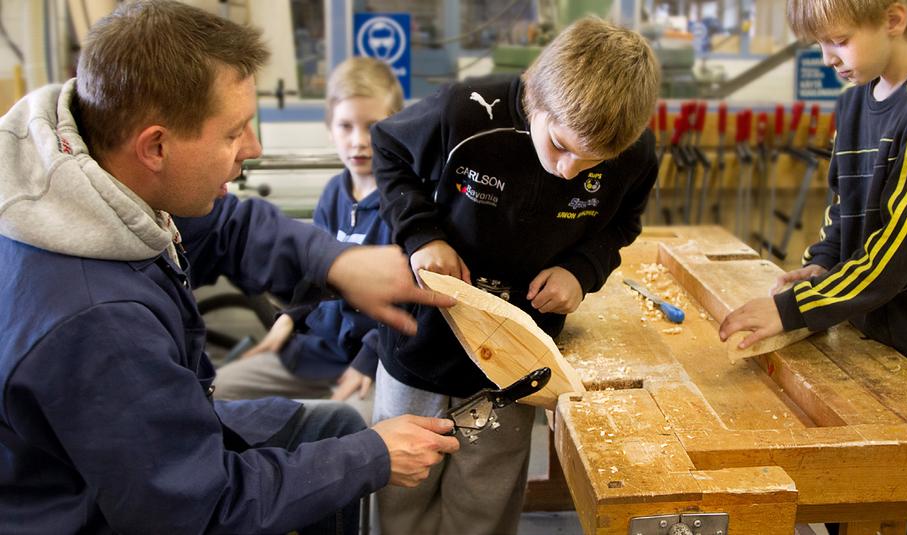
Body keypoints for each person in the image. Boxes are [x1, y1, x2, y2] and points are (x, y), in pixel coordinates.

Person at [0, 2, 459, 534]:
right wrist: (373, 457)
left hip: (135, 455)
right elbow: (200, 510)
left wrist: (337, 262)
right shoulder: (98, 323)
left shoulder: (86, 172)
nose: (254, 149)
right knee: (350, 453)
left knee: (333, 425)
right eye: (233, 133)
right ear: (156, 146)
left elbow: (227, 230)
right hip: (105, 511)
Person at [370, 17, 660, 535]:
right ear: (536, 98)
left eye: (593, 161)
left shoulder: (635, 153)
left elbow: (622, 224)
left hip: (515, 361)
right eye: (560, 145)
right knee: (400, 500)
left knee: (483, 504)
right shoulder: (464, 111)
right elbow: (389, 151)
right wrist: (422, 236)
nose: (569, 170)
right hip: (421, 340)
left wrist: (581, 269)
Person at [718, 1, 907, 533]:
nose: (828, 59)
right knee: (853, 507)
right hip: (871, 337)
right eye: (819, 46)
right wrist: (821, 265)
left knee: (902, 513)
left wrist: (791, 308)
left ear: (893, 20)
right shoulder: (854, 103)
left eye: (839, 41)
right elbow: (844, 212)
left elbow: (896, 252)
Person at [214, 57, 404, 404]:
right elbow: (312, 277)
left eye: (372, 126)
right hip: (314, 351)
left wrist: (368, 360)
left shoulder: (405, 204)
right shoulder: (334, 193)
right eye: (346, 126)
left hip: (373, 363)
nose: (359, 141)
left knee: (351, 428)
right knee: (221, 392)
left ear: (395, 127)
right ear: (330, 127)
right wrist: (289, 318)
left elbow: (409, 303)